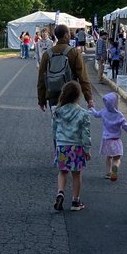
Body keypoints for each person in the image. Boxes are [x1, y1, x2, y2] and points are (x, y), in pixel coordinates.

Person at [52, 80, 92, 212]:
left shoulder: (57, 111)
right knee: (76, 174)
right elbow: (86, 134)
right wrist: (87, 150)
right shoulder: (83, 113)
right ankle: (76, 201)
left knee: (62, 172)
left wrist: (57, 144)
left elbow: (54, 129)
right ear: (77, 96)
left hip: (62, 146)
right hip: (77, 147)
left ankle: (60, 192)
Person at [37, 23, 94, 113]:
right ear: (66, 35)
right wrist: (89, 97)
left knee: (57, 122)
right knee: (71, 122)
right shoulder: (74, 52)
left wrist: (41, 100)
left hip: (53, 92)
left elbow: (41, 78)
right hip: (71, 93)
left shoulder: (47, 54)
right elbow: (83, 76)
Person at [89, 91, 127, 181]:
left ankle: (108, 173)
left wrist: (92, 108)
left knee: (108, 157)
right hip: (116, 140)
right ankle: (115, 169)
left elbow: (96, 114)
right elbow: (125, 125)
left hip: (106, 140)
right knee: (117, 158)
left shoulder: (104, 112)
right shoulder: (119, 115)